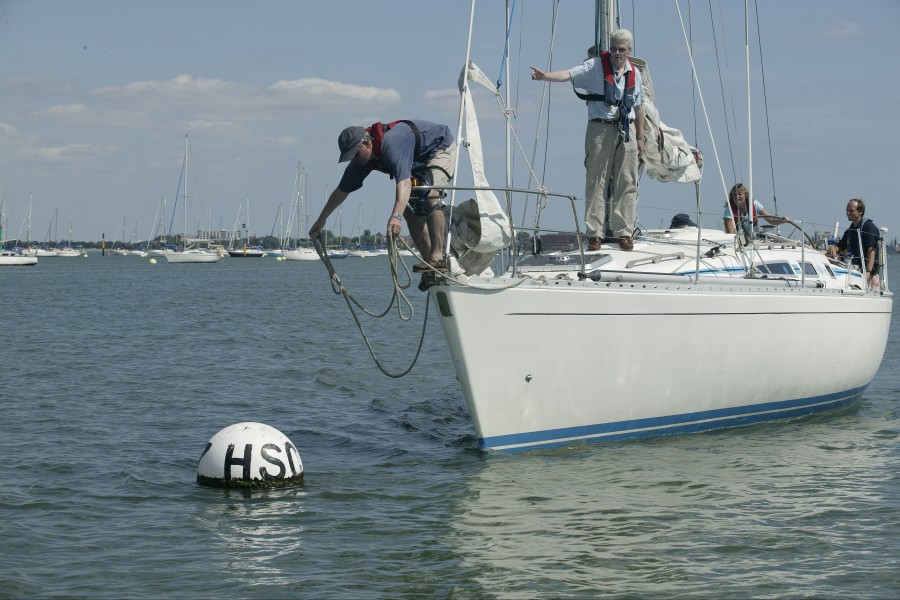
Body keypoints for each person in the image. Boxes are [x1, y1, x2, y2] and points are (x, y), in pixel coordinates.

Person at [530, 29, 646, 252]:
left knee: (627, 181)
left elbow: (639, 106)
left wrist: (640, 137)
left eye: (621, 50)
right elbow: (569, 74)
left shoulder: (635, 74)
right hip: (600, 128)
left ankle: (624, 232)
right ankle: (595, 233)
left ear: (629, 50)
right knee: (596, 180)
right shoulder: (595, 66)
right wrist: (545, 77)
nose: (617, 54)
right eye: (613, 49)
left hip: (626, 130)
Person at [309, 119, 457, 271]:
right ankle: (429, 265)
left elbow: (404, 183)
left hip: (439, 147)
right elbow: (341, 191)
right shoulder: (361, 162)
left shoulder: (391, 144)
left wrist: (395, 217)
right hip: (416, 160)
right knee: (407, 209)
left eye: (355, 155)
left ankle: (437, 257)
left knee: (431, 197)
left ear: (367, 144)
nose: (353, 160)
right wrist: (322, 219)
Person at [826, 198, 881, 290]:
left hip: (866, 269)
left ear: (860, 212)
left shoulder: (869, 227)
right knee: (825, 254)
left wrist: (867, 272)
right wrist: (833, 248)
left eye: (851, 210)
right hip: (853, 266)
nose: (848, 213)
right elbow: (840, 246)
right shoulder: (850, 231)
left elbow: (871, 251)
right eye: (847, 210)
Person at [723, 183, 790, 238]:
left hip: (755, 238)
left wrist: (783, 220)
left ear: (746, 195)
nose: (737, 196)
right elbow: (730, 233)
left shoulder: (754, 204)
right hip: (739, 240)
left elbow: (771, 219)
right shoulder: (729, 209)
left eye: (739, 194)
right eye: (734, 194)